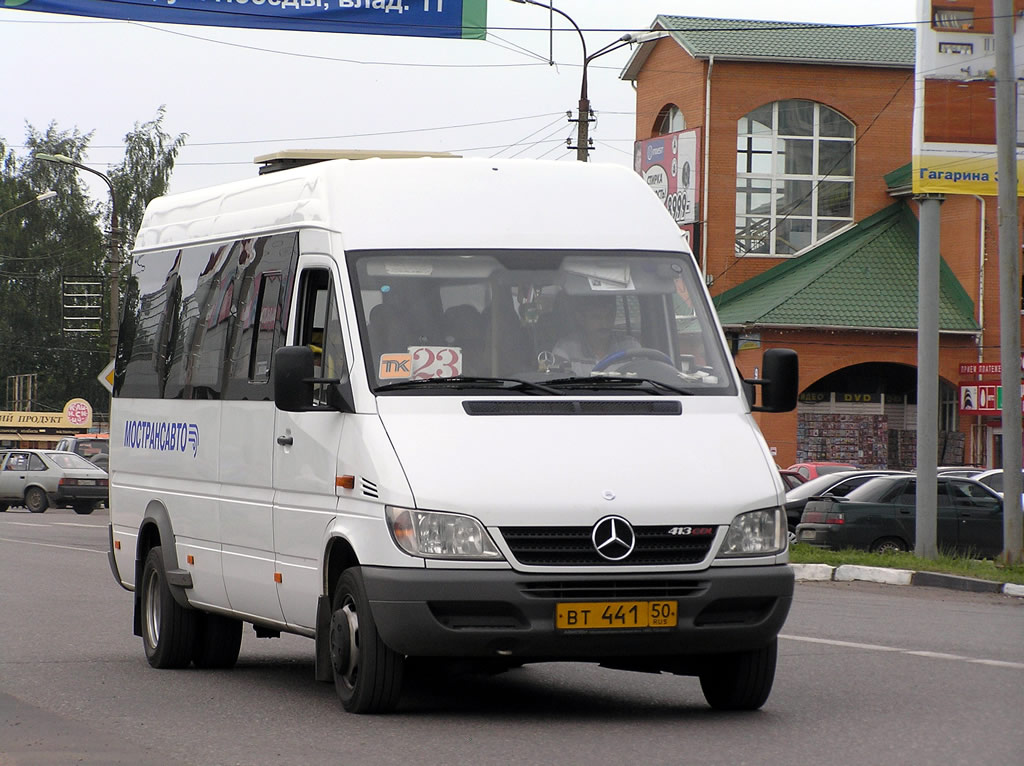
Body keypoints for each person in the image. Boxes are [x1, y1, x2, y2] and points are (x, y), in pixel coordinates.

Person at [551, 293, 640, 375]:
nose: (604, 324)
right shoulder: (565, 349)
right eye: (596, 317)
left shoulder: (631, 347)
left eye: (609, 316)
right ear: (581, 319)